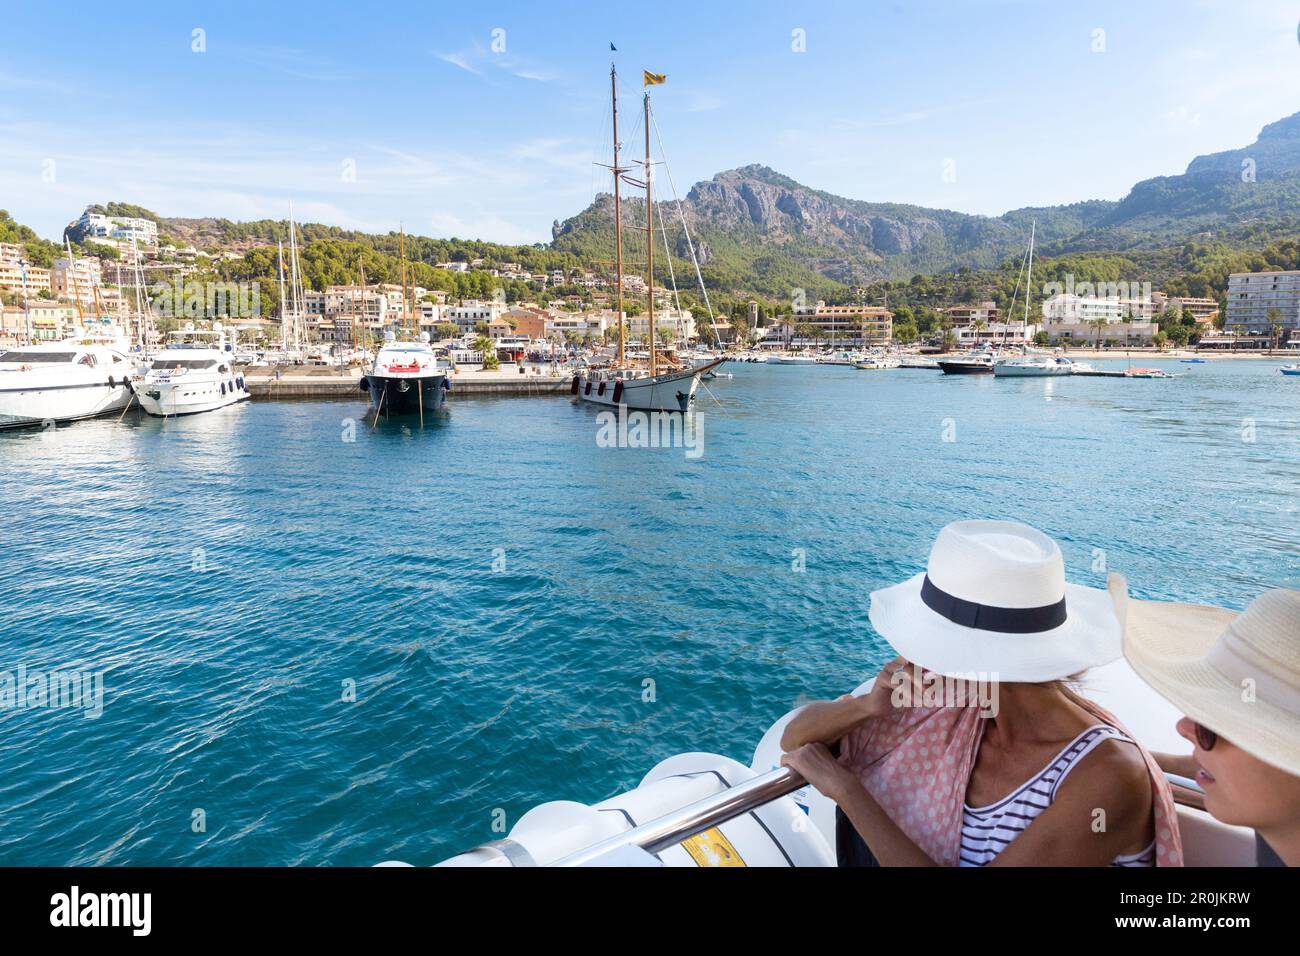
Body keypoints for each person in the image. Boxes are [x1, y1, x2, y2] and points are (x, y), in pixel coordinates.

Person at [782, 519, 1179, 866]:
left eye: (927, 642)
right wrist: (869, 707)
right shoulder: (953, 708)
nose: (910, 654)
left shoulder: (1107, 775)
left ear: (965, 657)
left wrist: (847, 791)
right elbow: (796, 738)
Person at [1125, 588, 1300, 866]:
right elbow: (1246, 768)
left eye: (1214, 725)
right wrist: (1134, 757)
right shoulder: (1283, 819)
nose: (1183, 727)